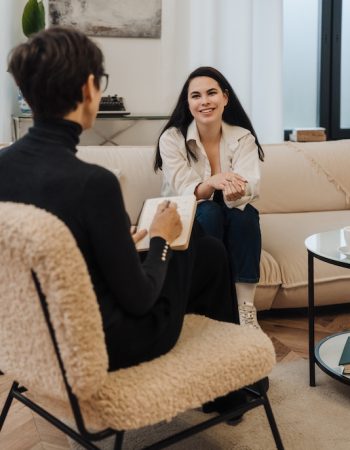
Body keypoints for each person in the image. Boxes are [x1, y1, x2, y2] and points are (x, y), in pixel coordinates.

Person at [0, 28, 237, 374]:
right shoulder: (94, 185)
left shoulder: (4, 167)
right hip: (109, 342)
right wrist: (161, 239)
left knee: (210, 251)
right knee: (200, 244)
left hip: (31, 337)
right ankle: (233, 388)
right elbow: (140, 299)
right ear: (88, 89)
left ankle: (229, 385)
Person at [155, 66, 264, 329]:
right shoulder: (171, 139)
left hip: (230, 210)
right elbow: (184, 189)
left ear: (225, 98)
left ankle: (245, 309)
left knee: (246, 215)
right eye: (196, 96)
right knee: (209, 211)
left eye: (211, 93)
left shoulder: (242, 137)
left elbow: (250, 184)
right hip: (186, 213)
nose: (204, 101)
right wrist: (212, 182)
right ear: (188, 102)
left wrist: (236, 189)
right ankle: (213, 308)